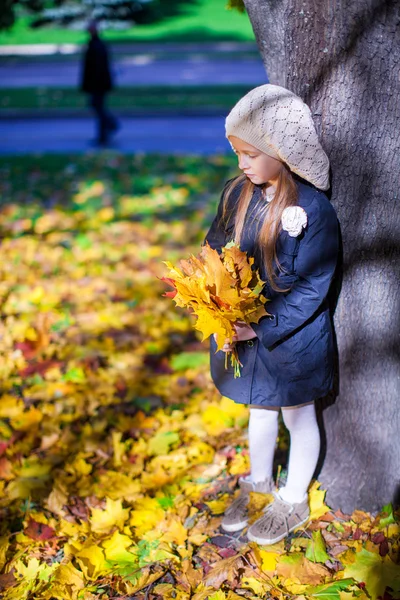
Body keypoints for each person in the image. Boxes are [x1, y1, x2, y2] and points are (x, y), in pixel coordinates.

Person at [203, 84, 339, 545]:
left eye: (249, 153)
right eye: (236, 153)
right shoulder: (237, 196)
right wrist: (217, 309)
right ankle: (257, 485)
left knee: (297, 417)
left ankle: (293, 497)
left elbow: (313, 286)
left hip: (291, 341)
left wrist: (261, 325)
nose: (241, 163)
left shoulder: (312, 211)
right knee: (258, 413)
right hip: (243, 334)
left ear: (281, 152)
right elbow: (214, 252)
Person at [80, 19, 119, 146]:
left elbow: (97, 69)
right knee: (98, 107)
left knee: (98, 107)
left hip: (98, 84)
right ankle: (104, 134)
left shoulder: (97, 45)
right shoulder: (94, 44)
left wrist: (92, 84)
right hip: (97, 84)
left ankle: (109, 128)